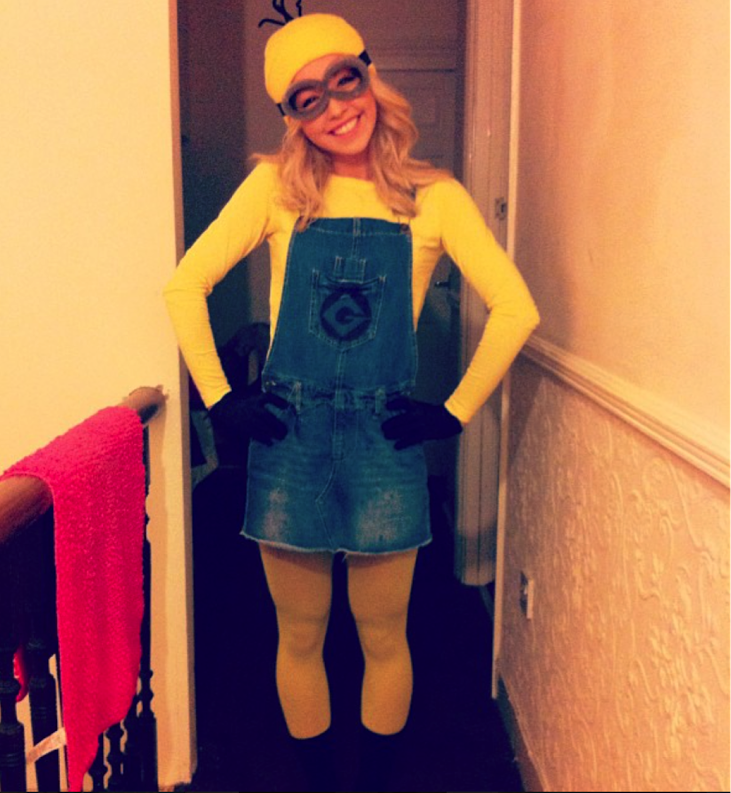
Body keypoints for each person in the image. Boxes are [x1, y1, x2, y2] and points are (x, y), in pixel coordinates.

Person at [162, 13, 540, 791]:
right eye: (308, 98)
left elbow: (516, 308)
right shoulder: (275, 187)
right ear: (290, 115)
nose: (337, 106)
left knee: (385, 634)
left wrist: (453, 411)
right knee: (299, 633)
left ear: (369, 75)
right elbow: (184, 285)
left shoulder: (435, 197)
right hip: (288, 438)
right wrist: (221, 401)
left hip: (383, 444)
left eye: (345, 79)